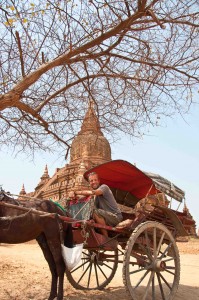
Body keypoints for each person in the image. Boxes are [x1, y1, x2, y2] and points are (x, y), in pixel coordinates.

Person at [69, 172, 123, 236]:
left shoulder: (104, 187)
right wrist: (73, 195)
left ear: (99, 181)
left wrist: (76, 192)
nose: (93, 182)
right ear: (89, 183)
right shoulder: (94, 197)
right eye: (91, 181)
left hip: (115, 217)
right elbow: (82, 199)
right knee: (89, 213)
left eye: (95, 180)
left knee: (95, 212)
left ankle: (105, 237)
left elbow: (93, 192)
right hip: (105, 218)